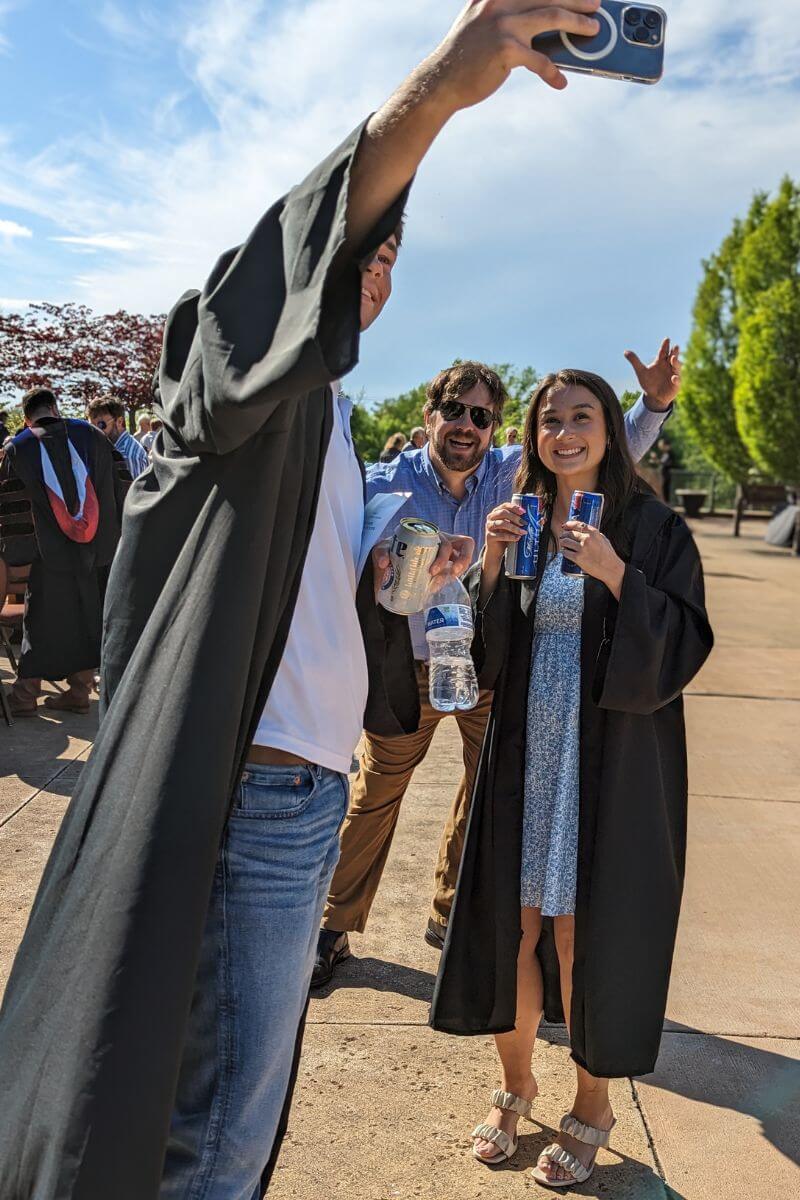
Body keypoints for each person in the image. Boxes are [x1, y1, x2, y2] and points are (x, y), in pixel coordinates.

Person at [0, 4, 615, 1195]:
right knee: (220, 1130)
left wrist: (412, 576)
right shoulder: (229, 388)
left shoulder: (325, 424)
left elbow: (318, 591)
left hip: (300, 773)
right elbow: (284, 268)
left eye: (390, 261)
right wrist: (439, 89)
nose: (372, 274)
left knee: (224, 1101)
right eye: (358, 252)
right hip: (264, 783)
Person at [314, 345, 679, 985]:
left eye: (482, 417)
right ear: (430, 415)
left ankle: (451, 914)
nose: (467, 426)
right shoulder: (381, 482)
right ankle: (332, 928)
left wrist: (652, 406)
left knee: (486, 791)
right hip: (411, 669)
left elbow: (593, 451)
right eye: (454, 411)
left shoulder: (510, 474)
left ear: (494, 428)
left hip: (489, 670)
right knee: (374, 797)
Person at [429, 368, 713, 1189]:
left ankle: (593, 1105)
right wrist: (488, 559)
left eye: (582, 418)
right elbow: (487, 654)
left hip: (607, 768)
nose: (565, 434)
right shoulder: (524, 523)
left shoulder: (652, 527)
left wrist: (619, 575)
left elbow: (686, 640)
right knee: (510, 927)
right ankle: (515, 1086)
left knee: (575, 935)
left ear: (609, 430)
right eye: (550, 421)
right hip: (526, 756)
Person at [0, 387, 126, 716]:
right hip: (96, 551)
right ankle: (80, 691)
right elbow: (122, 486)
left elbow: (9, 509)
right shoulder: (94, 437)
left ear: (27, 419)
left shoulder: (19, 447)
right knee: (88, 620)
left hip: (47, 555)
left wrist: (17, 560)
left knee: (40, 621)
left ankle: (25, 697)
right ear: (55, 409)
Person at [86, 395, 149, 478]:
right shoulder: (112, 448)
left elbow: (130, 490)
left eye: (101, 425)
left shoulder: (126, 456)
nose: (95, 431)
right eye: (91, 427)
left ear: (119, 421)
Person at [658, 436, 674, 503]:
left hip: (667, 474)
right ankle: (666, 502)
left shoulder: (669, 454)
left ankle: (667, 502)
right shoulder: (666, 454)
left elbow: (664, 462)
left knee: (666, 488)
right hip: (665, 474)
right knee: (664, 488)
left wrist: (656, 459)